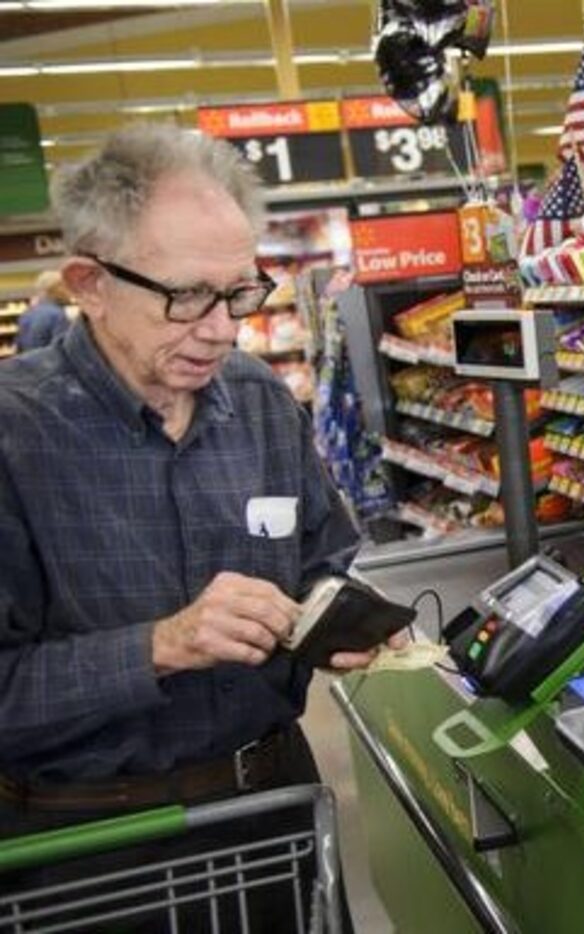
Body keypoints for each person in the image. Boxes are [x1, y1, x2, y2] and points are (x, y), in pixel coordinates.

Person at [0, 125, 398, 925]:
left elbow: (325, 556)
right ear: (91, 283)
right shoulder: (15, 437)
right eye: (186, 296)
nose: (222, 328)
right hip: (93, 854)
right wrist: (162, 645)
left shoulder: (257, 403)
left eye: (241, 293)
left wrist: (340, 619)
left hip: (276, 818)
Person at [15, 269, 72, 352]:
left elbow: (19, 346)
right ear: (54, 289)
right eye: (65, 287)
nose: (69, 292)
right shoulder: (56, 315)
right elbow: (62, 351)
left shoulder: (27, 314)